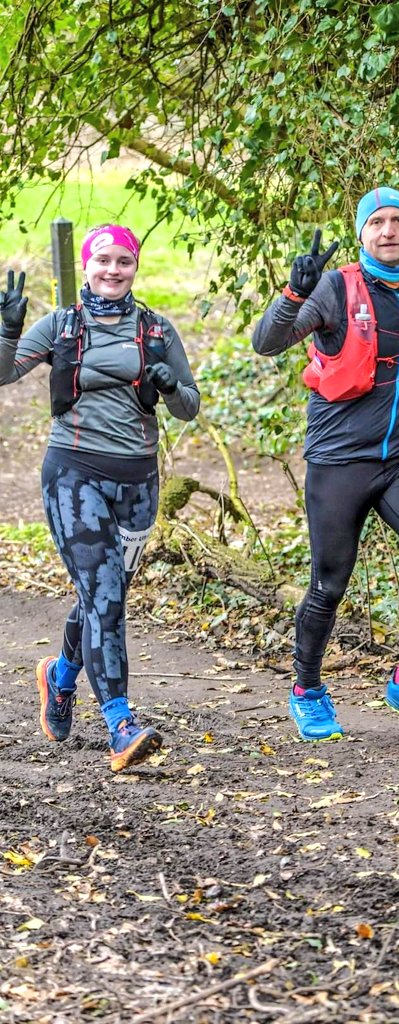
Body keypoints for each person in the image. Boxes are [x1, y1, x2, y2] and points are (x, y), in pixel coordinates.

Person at [252, 186, 399, 742]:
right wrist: (293, 295)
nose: (389, 231)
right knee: (329, 583)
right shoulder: (332, 287)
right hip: (339, 459)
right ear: (362, 232)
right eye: (378, 222)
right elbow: (266, 342)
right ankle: (306, 690)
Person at [0, 224, 200, 771]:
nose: (113, 270)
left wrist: (168, 384)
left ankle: (60, 677)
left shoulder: (156, 329)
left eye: (124, 262)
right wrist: (7, 332)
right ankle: (120, 724)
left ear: (136, 267)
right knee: (105, 598)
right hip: (73, 473)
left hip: (138, 483)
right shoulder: (61, 326)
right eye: (103, 260)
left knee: (102, 597)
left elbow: (189, 406)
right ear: (86, 266)